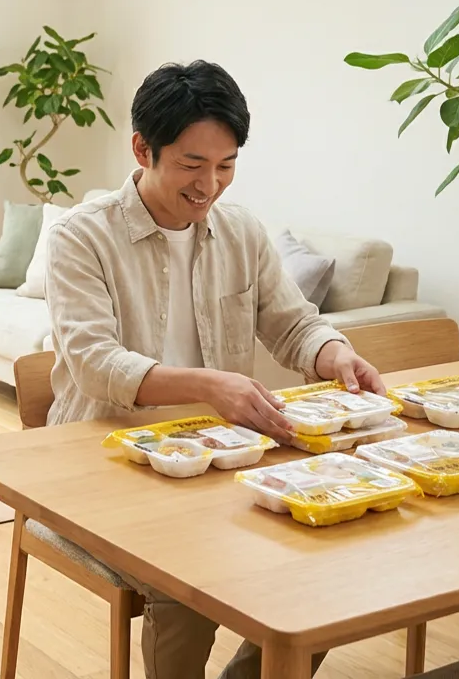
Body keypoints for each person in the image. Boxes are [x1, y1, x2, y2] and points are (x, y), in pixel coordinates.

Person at [42, 60, 386, 678]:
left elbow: (293, 323)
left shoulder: (240, 231)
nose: (210, 186)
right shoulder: (79, 237)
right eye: (192, 165)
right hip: (105, 461)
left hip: (230, 454)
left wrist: (335, 354)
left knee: (336, 546)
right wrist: (208, 385)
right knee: (190, 574)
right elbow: (94, 364)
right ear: (142, 148)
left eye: (225, 165)